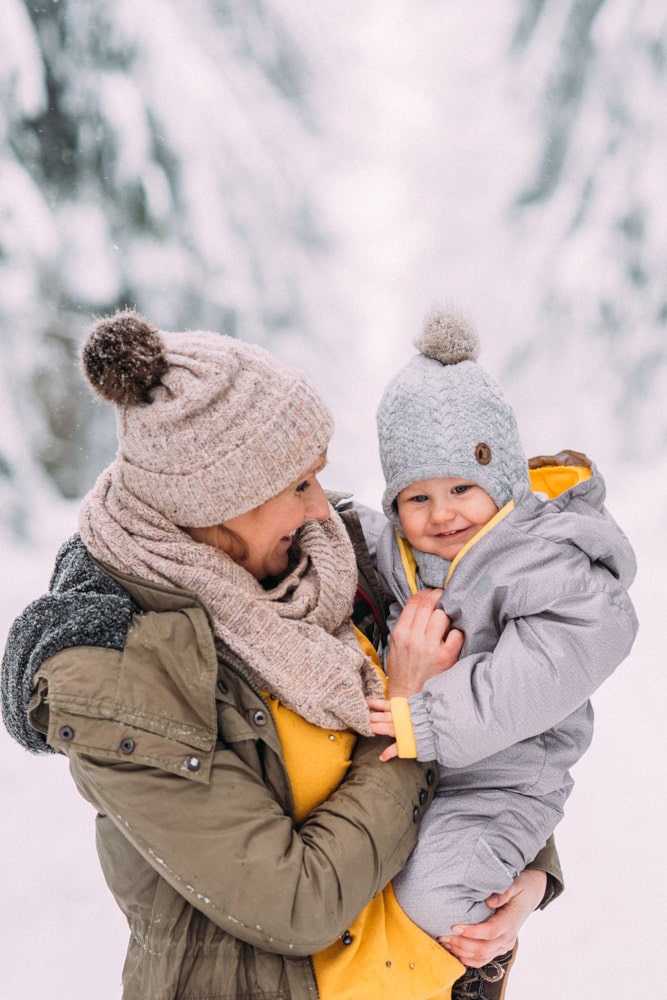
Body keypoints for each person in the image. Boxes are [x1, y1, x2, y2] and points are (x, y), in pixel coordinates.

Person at [1, 309, 560, 1000]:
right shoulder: (118, 672)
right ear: (213, 506)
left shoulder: (342, 565)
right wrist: (410, 717)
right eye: (297, 485)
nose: (323, 510)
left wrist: (527, 869)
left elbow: (494, 709)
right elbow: (295, 902)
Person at [361, 308, 639, 998]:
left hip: (508, 779)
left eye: (462, 487)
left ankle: (474, 973)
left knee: (433, 898)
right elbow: (340, 526)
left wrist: (424, 718)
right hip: (429, 770)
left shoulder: (541, 556)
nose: (442, 513)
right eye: (416, 496)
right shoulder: (399, 553)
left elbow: (550, 661)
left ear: (504, 477)